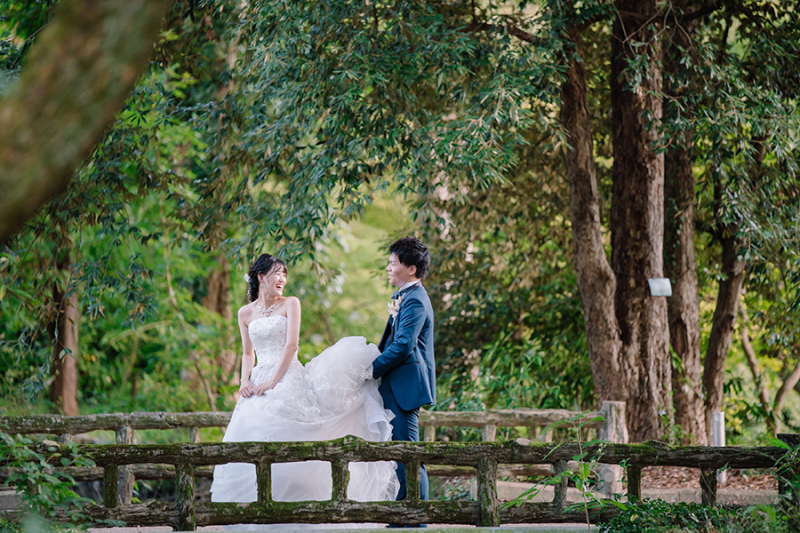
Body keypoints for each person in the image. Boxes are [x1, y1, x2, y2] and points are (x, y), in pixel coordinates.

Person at [210, 253, 398, 506]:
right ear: (261, 277)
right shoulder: (244, 313)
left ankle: (302, 504)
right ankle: (255, 506)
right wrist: (245, 381)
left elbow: (291, 346)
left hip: (287, 375)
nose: (282, 278)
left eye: (285, 274)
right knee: (250, 430)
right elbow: (246, 352)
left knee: (294, 434)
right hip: (258, 378)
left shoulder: (291, 304)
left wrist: (273, 382)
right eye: (277, 273)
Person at [371, 237, 436, 508]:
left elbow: (402, 346)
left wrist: (370, 369)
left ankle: (416, 518)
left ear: (411, 268)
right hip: (396, 385)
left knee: (409, 454)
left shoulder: (416, 300)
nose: (388, 268)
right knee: (398, 454)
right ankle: (402, 514)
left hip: (405, 388)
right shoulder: (405, 296)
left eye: (392, 263)